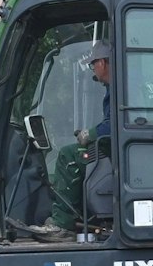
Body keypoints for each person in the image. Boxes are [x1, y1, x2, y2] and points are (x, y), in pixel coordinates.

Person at [48, 40, 114, 231]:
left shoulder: (119, 89)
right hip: (113, 145)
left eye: (93, 64)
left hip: (114, 148)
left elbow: (116, 124)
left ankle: (63, 222)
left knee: (68, 156)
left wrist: (90, 134)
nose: (93, 69)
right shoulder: (117, 87)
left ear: (101, 63)